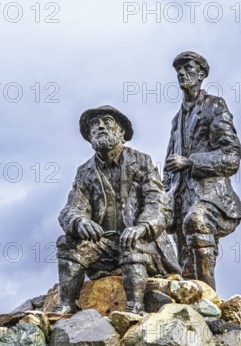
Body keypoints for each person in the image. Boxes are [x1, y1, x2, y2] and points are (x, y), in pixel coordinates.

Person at [53, 105, 180, 314]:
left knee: (132, 243)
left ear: (121, 132)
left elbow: (158, 204)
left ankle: (134, 307)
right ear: (89, 135)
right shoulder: (85, 172)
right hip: (105, 247)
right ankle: (66, 304)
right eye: (95, 124)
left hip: (143, 243)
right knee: (68, 244)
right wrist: (79, 222)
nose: (100, 126)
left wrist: (143, 227)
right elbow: (70, 210)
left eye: (107, 121)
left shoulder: (141, 162)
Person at [163, 51, 241, 289]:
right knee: (183, 261)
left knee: (197, 220)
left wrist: (190, 162)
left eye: (188, 68)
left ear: (201, 74)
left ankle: (209, 295)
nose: (181, 73)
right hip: (181, 197)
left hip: (212, 196)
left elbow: (231, 156)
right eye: (178, 69)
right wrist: (164, 192)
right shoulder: (176, 119)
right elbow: (169, 164)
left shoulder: (214, 106)